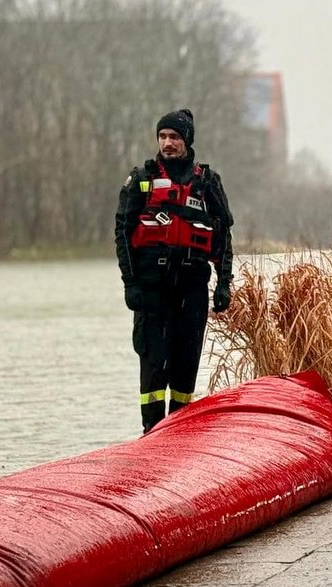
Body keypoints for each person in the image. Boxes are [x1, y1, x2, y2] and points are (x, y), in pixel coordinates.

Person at [114, 109, 234, 434]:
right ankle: (152, 434)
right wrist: (130, 284)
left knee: (184, 371)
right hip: (152, 292)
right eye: (163, 137)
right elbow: (123, 233)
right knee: (153, 370)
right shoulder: (141, 179)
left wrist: (224, 283)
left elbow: (223, 235)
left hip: (192, 292)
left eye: (175, 137)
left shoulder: (207, 182)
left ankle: (180, 436)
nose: (168, 143)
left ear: (187, 141)